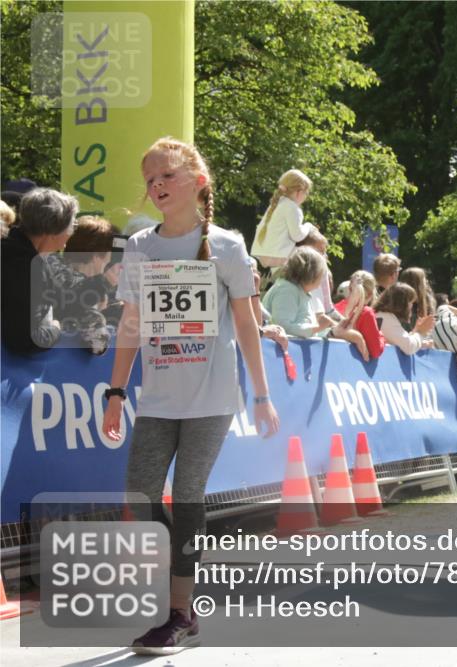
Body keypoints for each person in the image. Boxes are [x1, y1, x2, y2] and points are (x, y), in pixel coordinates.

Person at [101, 137, 279, 654]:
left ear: (197, 182)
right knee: (140, 491)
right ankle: (182, 597)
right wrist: (116, 391)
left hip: (212, 397)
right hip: (157, 398)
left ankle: (179, 613)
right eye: (150, 179)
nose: (156, 186)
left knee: (189, 495)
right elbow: (131, 325)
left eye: (167, 177)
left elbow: (246, 323)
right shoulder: (140, 246)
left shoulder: (225, 244)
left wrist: (261, 394)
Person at [0, 188, 79, 354]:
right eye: (72, 225)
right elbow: (27, 339)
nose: (72, 232)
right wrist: (56, 328)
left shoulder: (13, 248)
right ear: (53, 230)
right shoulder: (24, 266)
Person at [46, 215, 122, 355]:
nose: (110, 260)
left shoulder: (48, 270)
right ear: (96, 256)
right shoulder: (85, 294)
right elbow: (98, 345)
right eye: (109, 256)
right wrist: (103, 286)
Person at [260, 246, 336, 339]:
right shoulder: (287, 291)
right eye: (321, 274)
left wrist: (334, 330)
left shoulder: (298, 290)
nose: (322, 280)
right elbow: (282, 328)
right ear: (311, 273)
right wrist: (317, 327)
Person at [249, 169, 315, 270]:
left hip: (264, 254)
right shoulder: (292, 207)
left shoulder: (277, 204)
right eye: (306, 193)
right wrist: (308, 226)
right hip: (278, 255)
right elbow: (297, 235)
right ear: (299, 192)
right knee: (311, 256)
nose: (306, 196)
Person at [333, 270, 384, 361]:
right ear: (370, 294)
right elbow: (376, 351)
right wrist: (381, 335)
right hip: (352, 369)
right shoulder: (366, 313)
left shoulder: (334, 308)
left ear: (349, 288)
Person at [374, 283, 434, 355]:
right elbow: (408, 347)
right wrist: (420, 333)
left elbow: (403, 342)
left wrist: (416, 332)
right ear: (402, 304)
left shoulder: (383, 316)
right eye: (410, 302)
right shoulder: (386, 318)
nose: (411, 306)